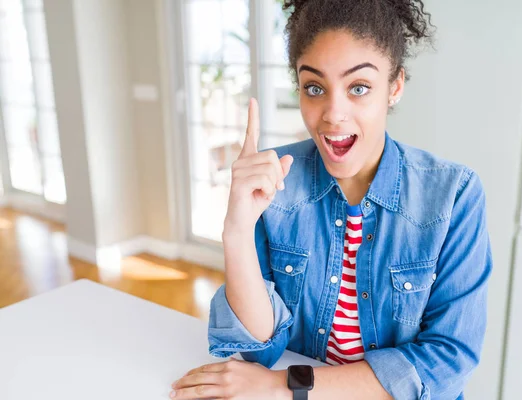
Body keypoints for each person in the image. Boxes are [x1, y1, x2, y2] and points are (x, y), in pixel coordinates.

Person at [170, 0, 492, 399]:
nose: (333, 114)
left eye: (359, 87)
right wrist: (236, 230)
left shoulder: (454, 196)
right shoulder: (276, 183)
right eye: (315, 88)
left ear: (395, 86)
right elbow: (258, 351)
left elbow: (448, 360)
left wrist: (286, 388)